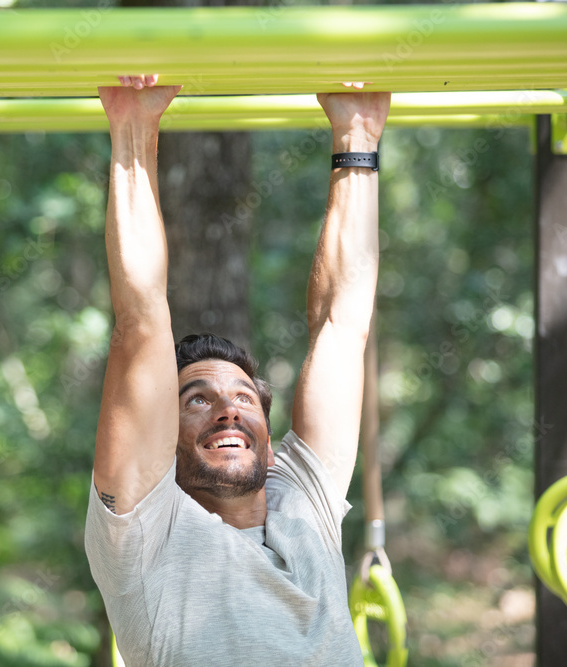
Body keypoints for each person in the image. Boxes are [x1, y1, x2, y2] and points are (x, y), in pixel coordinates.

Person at [84, 73, 390, 666]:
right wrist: (133, 130)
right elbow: (140, 323)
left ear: (270, 447)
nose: (229, 407)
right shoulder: (146, 534)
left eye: (245, 399)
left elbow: (342, 324)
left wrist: (357, 137)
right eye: (197, 399)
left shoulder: (302, 499)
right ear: (159, 446)